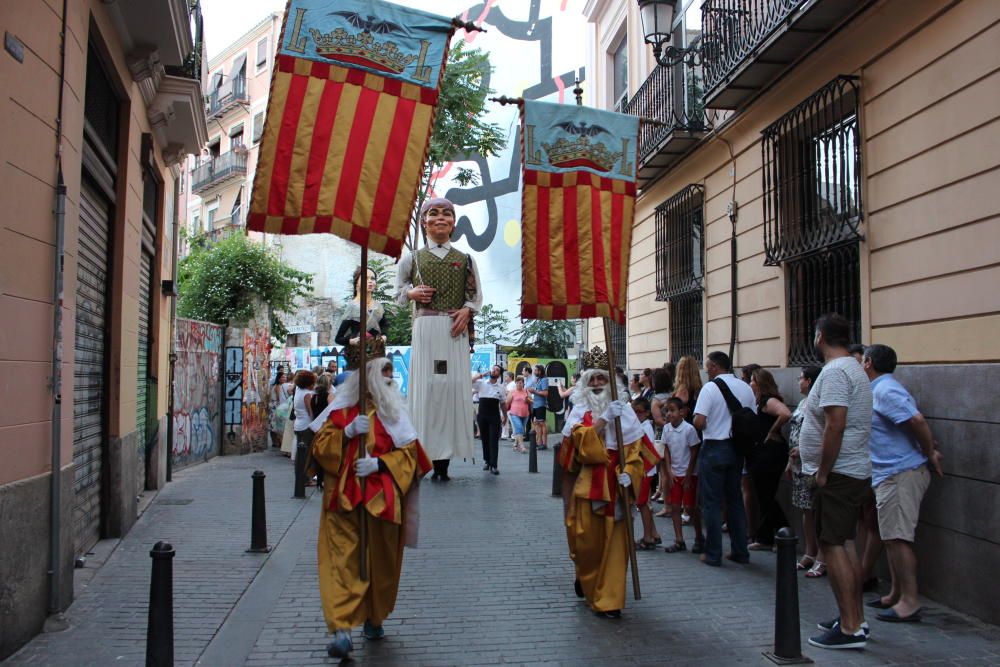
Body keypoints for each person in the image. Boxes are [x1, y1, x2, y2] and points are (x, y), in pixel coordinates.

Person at [308, 357, 432, 659]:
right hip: (343, 501)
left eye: (392, 372)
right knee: (341, 561)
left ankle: (373, 615)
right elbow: (319, 449)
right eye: (384, 373)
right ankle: (342, 628)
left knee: (380, 564)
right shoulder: (340, 412)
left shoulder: (395, 415)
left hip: (382, 502)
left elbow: (412, 457)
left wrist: (381, 463)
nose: (390, 378)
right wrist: (346, 433)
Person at [558, 368, 659, 618]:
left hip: (617, 487)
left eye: (601, 378)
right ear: (583, 384)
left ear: (611, 383)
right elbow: (578, 450)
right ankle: (587, 579)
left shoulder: (625, 412)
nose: (596, 383)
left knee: (616, 545)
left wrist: (632, 473)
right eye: (591, 379)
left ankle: (610, 600)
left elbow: (639, 452)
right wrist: (603, 420)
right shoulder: (579, 413)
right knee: (587, 545)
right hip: (588, 488)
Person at [394, 198, 482, 481]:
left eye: (447, 214)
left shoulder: (466, 259)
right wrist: (410, 294)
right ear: (424, 221)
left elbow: (476, 296)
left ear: (454, 222)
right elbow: (397, 293)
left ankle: (445, 458)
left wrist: (467, 311)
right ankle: (425, 453)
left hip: (453, 328)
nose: (441, 218)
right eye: (434, 213)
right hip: (426, 326)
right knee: (426, 389)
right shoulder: (412, 258)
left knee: (453, 389)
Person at [801, 313, 873, 650]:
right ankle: (853, 615)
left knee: (832, 545)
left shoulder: (835, 372)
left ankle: (850, 626)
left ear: (819, 337)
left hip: (840, 474)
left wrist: (824, 471)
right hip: (851, 470)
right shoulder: (853, 368)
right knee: (844, 544)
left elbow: (836, 424)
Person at [863, 344, 943, 623]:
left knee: (898, 539)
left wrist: (929, 451)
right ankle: (896, 594)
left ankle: (909, 601)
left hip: (900, 473)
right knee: (891, 537)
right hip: (890, 474)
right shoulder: (879, 389)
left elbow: (916, 419)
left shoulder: (885, 390)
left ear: (868, 362)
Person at [692, 351, 756, 567]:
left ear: (715, 367)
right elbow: (751, 417)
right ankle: (740, 551)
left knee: (711, 503)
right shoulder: (746, 387)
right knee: (735, 500)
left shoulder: (710, 388)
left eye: (708, 366)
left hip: (714, 447)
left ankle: (713, 553)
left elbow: (700, 421)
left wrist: (701, 423)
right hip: (736, 449)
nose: (706, 370)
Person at [785, 366, 825, 577]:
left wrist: (804, 449)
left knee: (818, 512)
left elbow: (825, 433)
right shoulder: (802, 402)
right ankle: (810, 551)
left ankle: (823, 558)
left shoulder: (820, 403)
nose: (798, 382)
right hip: (799, 464)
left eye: (800, 378)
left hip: (814, 464)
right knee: (805, 510)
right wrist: (790, 463)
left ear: (809, 381)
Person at [747, 368, 792, 551]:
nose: (749, 383)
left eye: (752, 380)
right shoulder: (758, 402)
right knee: (763, 494)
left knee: (766, 494)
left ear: (759, 383)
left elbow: (786, 414)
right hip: (763, 452)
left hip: (771, 452)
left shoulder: (769, 400)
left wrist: (772, 431)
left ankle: (784, 531)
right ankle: (766, 537)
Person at [662, 397, 704, 554]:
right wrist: (669, 470)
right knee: (675, 506)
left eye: (672, 410)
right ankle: (679, 539)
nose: (669, 414)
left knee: (690, 507)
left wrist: (688, 474)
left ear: (681, 412)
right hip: (675, 474)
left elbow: (694, 452)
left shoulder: (689, 429)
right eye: (667, 410)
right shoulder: (667, 429)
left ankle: (699, 537)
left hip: (688, 474)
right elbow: (666, 449)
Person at [335, 266, 389, 364]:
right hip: (358, 356)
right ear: (357, 283)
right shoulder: (352, 307)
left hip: (377, 354)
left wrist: (384, 336)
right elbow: (338, 338)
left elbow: (385, 327)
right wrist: (352, 341)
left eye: (373, 278)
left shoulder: (379, 307)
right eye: (365, 278)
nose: (370, 281)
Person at [631, 397, 662, 550]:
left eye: (639, 412)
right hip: (645, 470)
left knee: (642, 504)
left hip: (645, 470)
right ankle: (654, 533)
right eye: (634, 412)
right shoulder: (642, 426)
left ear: (647, 413)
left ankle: (648, 537)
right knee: (645, 503)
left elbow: (645, 450)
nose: (636, 415)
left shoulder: (644, 428)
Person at [473, 365, 506, 475]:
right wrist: (482, 374)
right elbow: (469, 381)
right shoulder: (482, 383)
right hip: (482, 415)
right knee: (485, 439)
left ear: (499, 374)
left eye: (497, 370)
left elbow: (503, 403)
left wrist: (504, 415)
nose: (494, 370)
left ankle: (494, 465)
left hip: (494, 415)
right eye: (493, 368)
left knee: (493, 440)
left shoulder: (501, 387)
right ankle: (487, 461)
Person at [505, 376, 531, 453]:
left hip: (525, 414)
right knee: (519, 428)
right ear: (515, 383)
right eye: (517, 383)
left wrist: (528, 400)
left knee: (520, 429)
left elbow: (531, 400)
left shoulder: (526, 391)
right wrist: (504, 414)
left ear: (523, 383)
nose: (519, 384)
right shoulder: (512, 392)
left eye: (521, 383)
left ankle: (515, 444)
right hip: (514, 413)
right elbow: (507, 403)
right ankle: (522, 446)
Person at [527, 364, 550, 450]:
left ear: (540, 371)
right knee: (536, 423)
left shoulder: (544, 380)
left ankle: (544, 443)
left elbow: (545, 393)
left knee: (542, 423)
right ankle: (539, 442)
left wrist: (535, 391)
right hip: (536, 405)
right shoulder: (538, 380)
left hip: (541, 405)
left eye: (536, 370)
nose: (534, 372)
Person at [269, 371, 292, 449]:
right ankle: (276, 442)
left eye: (285, 377)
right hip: (276, 406)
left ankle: (276, 442)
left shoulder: (278, 386)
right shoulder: (278, 386)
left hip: (274, 406)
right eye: (282, 377)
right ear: (278, 379)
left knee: (274, 425)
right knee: (276, 425)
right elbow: (279, 398)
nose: (284, 378)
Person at [500, 371, 516, 440]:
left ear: (510, 377)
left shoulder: (513, 384)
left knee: (511, 420)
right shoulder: (507, 384)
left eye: (506, 376)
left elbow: (511, 393)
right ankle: (504, 435)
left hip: (510, 404)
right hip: (504, 403)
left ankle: (514, 435)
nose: (505, 378)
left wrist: (503, 391)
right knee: (504, 419)